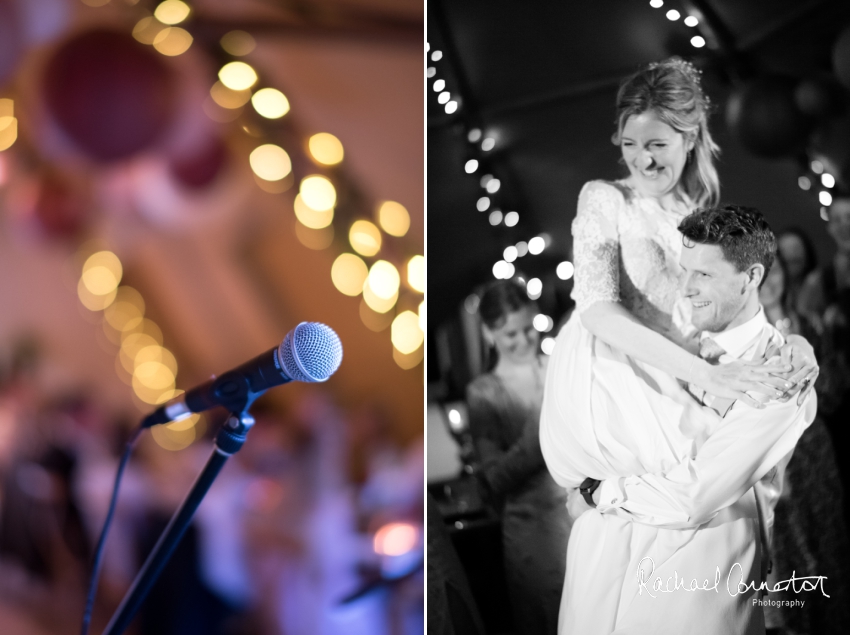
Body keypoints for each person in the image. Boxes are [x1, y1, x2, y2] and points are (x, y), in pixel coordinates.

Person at [539, 59, 817, 634]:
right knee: (638, 536)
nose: (644, 158)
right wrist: (705, 374)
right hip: (621, 378)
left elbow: (723, 312)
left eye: (659, 144)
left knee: (715, 528)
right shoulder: (604, 199)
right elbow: (595, 309)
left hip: (686, 386)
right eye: (631, 142)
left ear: (691, 139)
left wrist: (789, 342)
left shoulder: (699, 214)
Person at [466, 279, 571, 635]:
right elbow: (494, 478)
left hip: (583, 515)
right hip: (533, 532)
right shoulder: (484, 392)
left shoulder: (558, 365)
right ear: (489, 333)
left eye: (530, 328)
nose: (525, 340)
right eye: (512, 334)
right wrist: (539, 434)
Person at [757, 254, 850, 635]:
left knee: (827, 547)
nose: (771, 281)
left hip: (815, 456)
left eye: (776, 270)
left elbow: (832, 392)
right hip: (778, 461)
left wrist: (808, 374)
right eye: (763, 273)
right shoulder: (749, 341)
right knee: (790, 557)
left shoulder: (810, 326)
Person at [776, 228, 818, 315]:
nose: (791, 256)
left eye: (796, 249)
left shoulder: (819, 283)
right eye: (784, 250)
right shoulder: (772, 293)